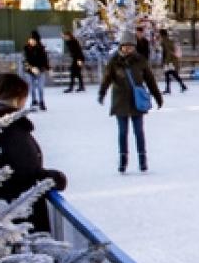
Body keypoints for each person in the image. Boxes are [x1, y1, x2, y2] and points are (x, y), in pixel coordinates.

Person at [0, 72, 67, 232]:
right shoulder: (9, 129)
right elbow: (24, 174)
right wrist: (54, 178)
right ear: (19, 98)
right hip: (13, 220)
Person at [98, 34, 162, 173]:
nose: (128, 49)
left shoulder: (140, 60)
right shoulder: (114, 61)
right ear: (121, 46)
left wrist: (157, 96)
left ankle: (142, 159)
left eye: (131, 46)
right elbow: (107, 78)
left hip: (136, 102)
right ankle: (123, 160)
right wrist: (102, 93)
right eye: (125, 46)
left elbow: (150, 80)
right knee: (123, 132)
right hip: (120, 101)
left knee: (139, 131)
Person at [22, 31, 50, 110]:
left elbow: (45, 60)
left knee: (40, 87)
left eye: (34, 40)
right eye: (31, 39)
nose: (32, 41)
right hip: (29, 71)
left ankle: (41, 101)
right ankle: (34, 101)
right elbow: (25, 61)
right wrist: (31, 68)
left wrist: (48, 68)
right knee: (32, 87)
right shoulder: (26, 48)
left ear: (37, 41)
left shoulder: (41, 48)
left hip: (40, 70)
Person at [63, 28, 86, 92]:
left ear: (69, 36)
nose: (65, 37)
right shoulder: (69, 42)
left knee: (73, 73)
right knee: (77, 73)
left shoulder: (73, 41)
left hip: (79, 58)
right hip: (76, 58)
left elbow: (78, 51)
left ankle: (71, 87)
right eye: (64, 36)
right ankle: (81, 86)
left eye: (66, 36)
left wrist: (79, 60)